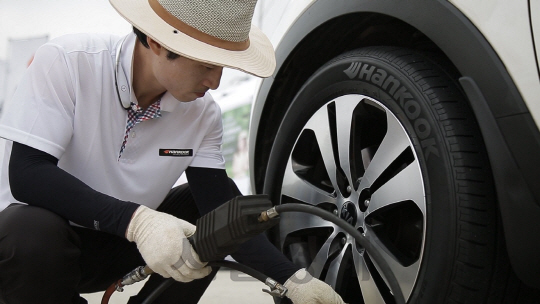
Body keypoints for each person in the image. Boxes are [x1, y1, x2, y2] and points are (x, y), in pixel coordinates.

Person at [0, 0, 346, 304]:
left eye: (223, 67)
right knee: (27, 229)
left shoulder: (203, 115)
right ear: (157, 41)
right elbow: (27, 174)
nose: (216, 82)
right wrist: (138, 222)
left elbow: (219, 208)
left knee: (214, 221)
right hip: (37, 253)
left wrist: (293, 280)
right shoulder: (68, 64)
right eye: (207, 65)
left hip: (122, 247)